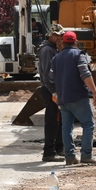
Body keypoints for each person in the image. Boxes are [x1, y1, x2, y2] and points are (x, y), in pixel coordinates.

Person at [50, 30, 96, 166]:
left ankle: (70, 157)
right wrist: (95, 92)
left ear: (63, 42)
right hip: (78, 97)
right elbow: (85, 74)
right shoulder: (79, 55)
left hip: (62, 98)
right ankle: (86, 155)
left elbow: (50, 77)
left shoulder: (56, 58)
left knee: (66, 128)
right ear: (76, 42)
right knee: (88, 125)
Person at [37, 22, 65, 162]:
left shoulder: (54, 48)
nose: (61, 38)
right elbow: (48, 74)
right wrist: (53, 92)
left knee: (59, 120)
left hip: (54, 89)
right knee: (52, 121)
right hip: (50, 90)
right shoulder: (47, 51)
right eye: (59, 36)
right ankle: (49, 152)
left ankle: (59, 148)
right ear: (53, 36)